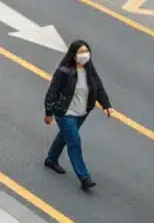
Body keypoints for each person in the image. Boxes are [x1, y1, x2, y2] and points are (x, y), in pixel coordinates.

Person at [43, 40, 112, 191]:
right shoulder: (63, 71)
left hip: (82, 113)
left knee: (65, 137)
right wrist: (48, 112)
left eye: (86, 51)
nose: (84, 55)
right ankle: (84, 177)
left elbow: (98, 87)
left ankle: (51, 159)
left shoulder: (89, 69)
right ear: (73, 54)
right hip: (64, 113)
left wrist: (106, 105)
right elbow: (52, 92)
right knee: (74, 142)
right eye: (81, 52)